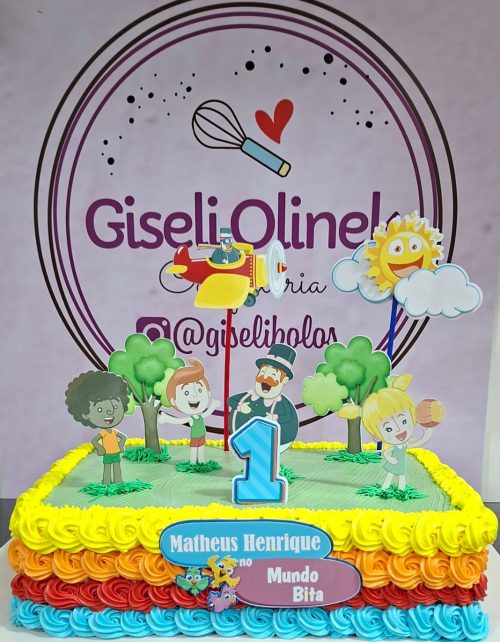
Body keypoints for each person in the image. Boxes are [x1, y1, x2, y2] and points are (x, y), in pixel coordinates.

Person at [361, 375, 444, 490]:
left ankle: (401, 490)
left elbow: (415, 444)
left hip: (399, 465)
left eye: (404, 421)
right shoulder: (396, 446)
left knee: (401, 476)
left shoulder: (403, 444)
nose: (399, 430)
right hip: (394, 463)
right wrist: (390, 459)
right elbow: (387, 453)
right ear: (376, 436)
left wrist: (426, 436)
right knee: (390, 475)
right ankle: (386, 488)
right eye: (388, 429)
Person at [228, 344, 298, 451]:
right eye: (263, 372)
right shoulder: (248, 396)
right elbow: (231, 400)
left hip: (273, 447)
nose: (265, 378)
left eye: (273, 375)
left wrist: (276, 418)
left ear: (284, 380)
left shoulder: (282, 403)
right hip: (242, 442)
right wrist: (240, 407)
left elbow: (290, 417)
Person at [65, 371, 129, 485]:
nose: (110, 412)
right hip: (107, 453)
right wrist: (100, 449)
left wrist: (120, 446)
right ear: (85, 414)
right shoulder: (103, 433)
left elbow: (123, 437)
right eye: (99, 409)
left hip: (115, 452)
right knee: (107, 468)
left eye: (115, 406)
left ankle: (118, 482)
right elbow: (95, 441)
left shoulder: (114, 432)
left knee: (116, 467)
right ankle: (106, 482)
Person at [158, 359, 220, 464]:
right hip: (195, 437)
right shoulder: (191, 419)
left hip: (202, 436)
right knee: (194, 449)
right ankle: (192, 462)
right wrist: (167, 419)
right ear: (173, 400)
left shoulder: (199, 416)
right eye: (186, 392)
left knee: (201, 448)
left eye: (200, 390)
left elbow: (206, 413)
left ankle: (201, 461)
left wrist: (213, 405)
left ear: (208, 393)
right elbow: (179, 421)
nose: (195, 395)